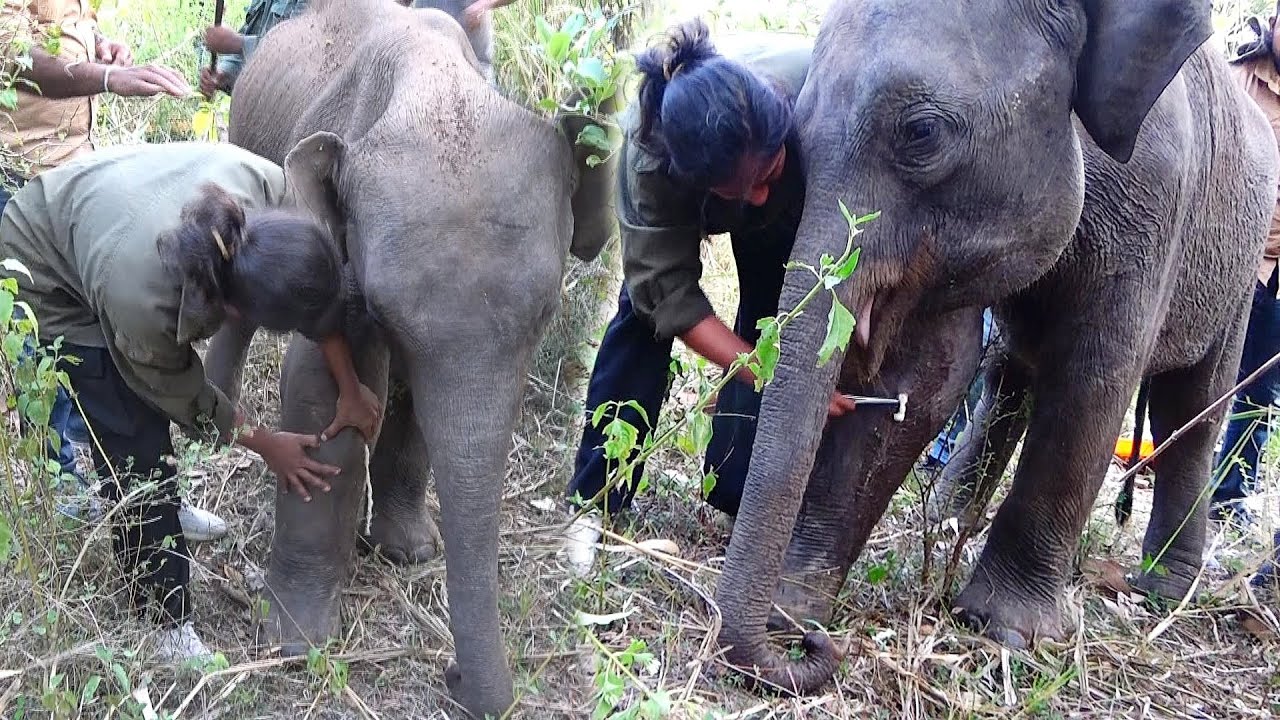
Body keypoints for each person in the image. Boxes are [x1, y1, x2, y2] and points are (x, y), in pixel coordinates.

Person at [0, 141, 382, 659]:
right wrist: (267, 444)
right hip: (42, 261)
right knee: (134, 437)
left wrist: (350, 387)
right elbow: (178, 390)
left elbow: (315, 295)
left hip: (109, 205)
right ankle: (164, 620)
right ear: (234, 312)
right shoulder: (143, 300)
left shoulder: (270, 190)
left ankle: (171, 511)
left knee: (142, 423)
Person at [562, 19, 856, 569]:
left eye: (770, 172)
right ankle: (594, 499)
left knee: (775, 310)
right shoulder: (651, 159)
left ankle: (740, 488)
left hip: (795, 190)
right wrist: (769, 373)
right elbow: (667, 293)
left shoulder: (816, 88)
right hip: (681, 211)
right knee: (640, 320)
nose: (762, 193)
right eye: (746, 189)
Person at [0, 0, 235, 537]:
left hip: (76, 171)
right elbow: (13, 57)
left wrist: (99, 47)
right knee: (48, 345)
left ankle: (149, 494)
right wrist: (108, 76)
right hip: (18, 177)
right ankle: (63, 494)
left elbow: (64, 36)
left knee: (113, 343)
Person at [1221, 11, 1280, 587]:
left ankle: (1231, 490)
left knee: (1261, 397)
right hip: (1236, 259)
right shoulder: (1238, 72)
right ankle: (1208, 491)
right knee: (1221, 383)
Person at [198, 0, 310, 97]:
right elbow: (244, 51)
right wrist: (223, 74)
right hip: (257, 107)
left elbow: (299, 51)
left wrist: (238, 43)